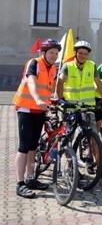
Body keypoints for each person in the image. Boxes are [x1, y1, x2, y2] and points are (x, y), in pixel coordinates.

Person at [56, 40, 102, 180]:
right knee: (69, 137)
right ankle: (70, 168)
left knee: (94, 138)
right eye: (80, 53)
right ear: (75, 53)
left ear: (88, 55)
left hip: (87, 108)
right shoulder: (68, 66)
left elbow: (98, 84)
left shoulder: (91, 66)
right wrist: (61, 99)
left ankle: (99, 167)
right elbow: (60, 82)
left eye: (85, 54)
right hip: (71, 108)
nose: (82, 56)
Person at [13, 39, 60, 198]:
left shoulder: (53, 68)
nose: (54, 55)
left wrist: (53, 101)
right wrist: (38, 99)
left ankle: (30, 178)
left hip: (40, 110)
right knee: (24, 146)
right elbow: (32, 82)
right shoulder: (34, 63)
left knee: (33, 146)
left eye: (56, 53)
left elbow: (48, 89)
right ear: (43, 52)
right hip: (26, 108)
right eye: (51, 52)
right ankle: (20, 184)